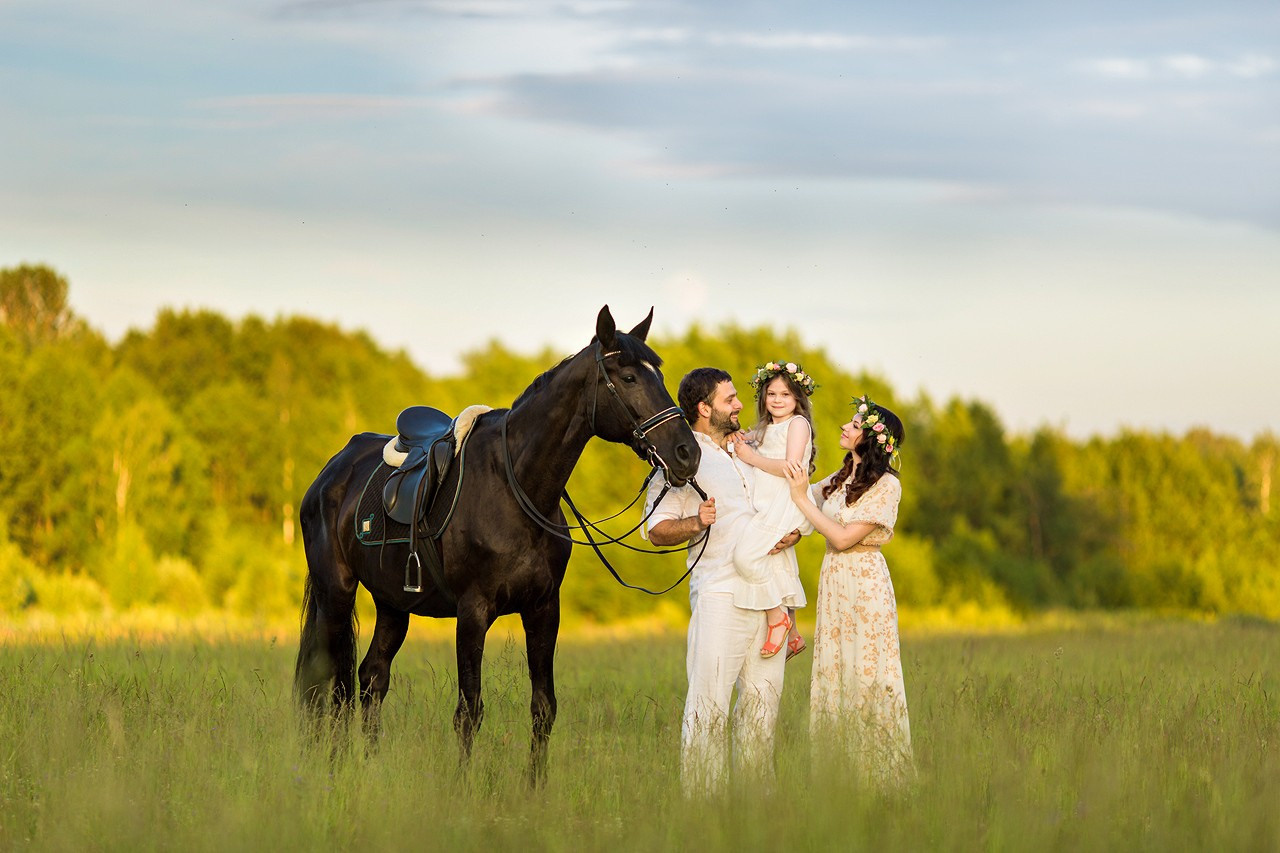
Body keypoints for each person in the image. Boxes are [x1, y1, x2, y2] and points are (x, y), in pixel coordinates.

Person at [645, 367, 801, 795]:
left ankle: (754, 817)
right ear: (703, 407)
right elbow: (656, 529)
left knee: (762, 710)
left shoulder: (747, 448)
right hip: (720, 595)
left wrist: (794, 535)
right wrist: (696, 520)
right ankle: (703, 816)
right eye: (730, 399)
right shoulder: (680, 456)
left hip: (769, 599)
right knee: (708, 708)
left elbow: (780, 505)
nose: (739, 405)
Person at [782, 394, 912, 785]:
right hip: (835, 583)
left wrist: (802, 500)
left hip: (864, 584)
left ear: (871, 439)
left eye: (854, 425)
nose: (844, 427)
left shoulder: (887, 485)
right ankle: (837, 779)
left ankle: (879, 778)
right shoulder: (842, 480)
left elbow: (841, 537)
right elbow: (795, 491)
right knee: (834, 671)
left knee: (867, 673)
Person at [726, 360, 817, 660]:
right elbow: (744, 442)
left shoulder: (797, 424)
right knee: (778, 562)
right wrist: (740, 440)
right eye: (772, 394)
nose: (777, 400)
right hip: (766, 504)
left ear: (798, 399)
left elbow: (791, 467)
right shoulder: (768, 427)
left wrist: (750, 457)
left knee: (745, 557)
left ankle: (777, 617)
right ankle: (792, 635)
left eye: (786, 395)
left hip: (785, 502)